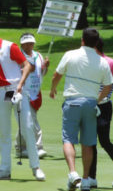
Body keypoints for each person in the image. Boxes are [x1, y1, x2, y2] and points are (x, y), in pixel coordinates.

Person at [0, 20, 45, 181]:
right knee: (4, 134)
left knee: (27, 127)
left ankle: (36, 168)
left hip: (17, 91)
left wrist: (21, 84)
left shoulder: (10, 47)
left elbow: (27, 65)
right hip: (1, 93)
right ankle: (4, 170)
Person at [49, 28, 113, 191]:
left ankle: (72, 173)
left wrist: (52, 89)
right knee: (88, 142)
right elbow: (108, 86)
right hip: (91, 105)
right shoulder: (102, 62)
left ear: (82, 40)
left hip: (72, 102)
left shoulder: (70, 54)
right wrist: (97, 100)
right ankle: (85, 180)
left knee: (68, 139)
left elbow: (56, 75)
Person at [15, 33, 49, 159]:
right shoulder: (17, 56)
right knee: (32, 121)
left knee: (25, 121)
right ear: (22, 44)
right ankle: (38, 147)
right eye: (26, 43)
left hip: (35, 92)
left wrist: (46, 67)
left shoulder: (38, 55)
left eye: (31, 43)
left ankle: (20, 148)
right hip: (22, 92)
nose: (29, 45)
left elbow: (42, 73)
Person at [87, 38, 113, 188]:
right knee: (90, 142)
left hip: (103, 106)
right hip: (89, 105)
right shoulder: (89, 62)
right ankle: (92, 178)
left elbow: (109, 86)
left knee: (104, 141)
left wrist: (96, 101)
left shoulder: (109, 62)